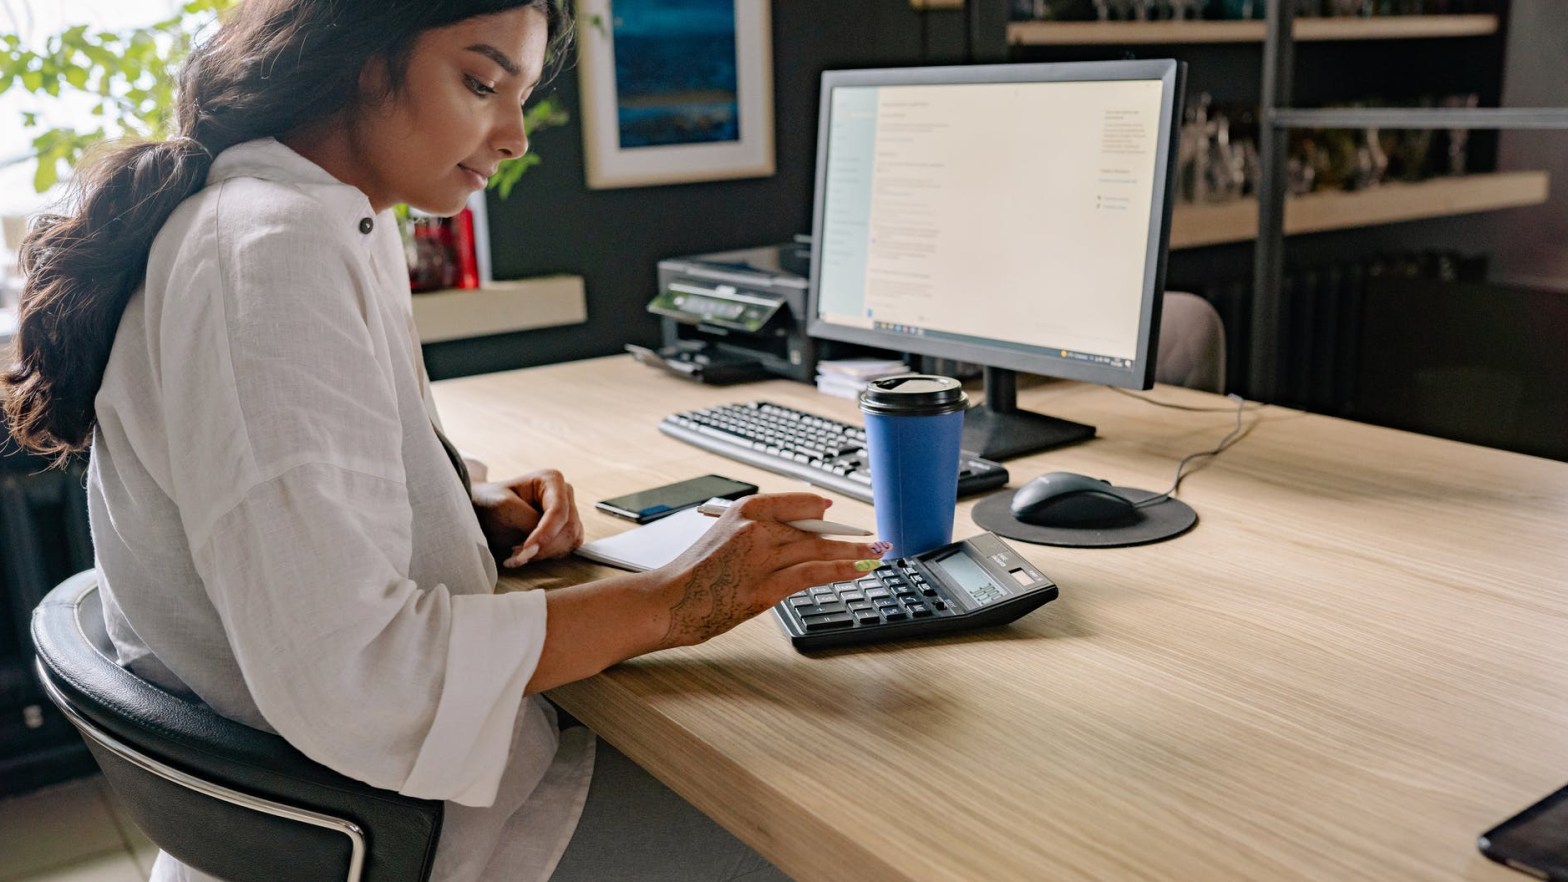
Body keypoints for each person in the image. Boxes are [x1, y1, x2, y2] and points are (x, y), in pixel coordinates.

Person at [0, 2, 887, 880]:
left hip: (397, 800)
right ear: (357, 54)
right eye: (478, 82)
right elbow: (355, 675)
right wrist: (673, 602)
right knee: (868, 824)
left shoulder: (320, 221)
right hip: (437, 835)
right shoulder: (270, 253)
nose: (514, 137)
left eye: (522, 97)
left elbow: (279, 508)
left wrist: (460, 512)